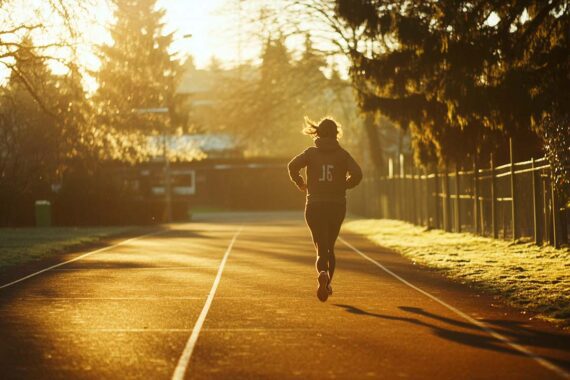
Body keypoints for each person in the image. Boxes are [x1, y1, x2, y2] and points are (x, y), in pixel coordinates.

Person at [288, 117, 362, 302]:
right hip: (336, 206)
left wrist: (300, 183)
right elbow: (358, 174)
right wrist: (344, 185)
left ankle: (322, 271)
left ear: (318, 133)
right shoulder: (343, 155)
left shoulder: (311, 153)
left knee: (320, 247)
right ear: (336, 134)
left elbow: (292, 166)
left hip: (314, 205)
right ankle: (327, 283)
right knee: (329, 246)